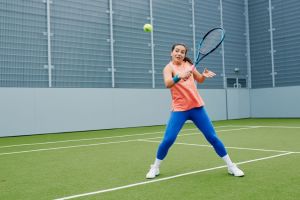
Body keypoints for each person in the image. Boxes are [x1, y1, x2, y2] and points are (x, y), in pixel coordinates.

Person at [146, 43, 244, 179]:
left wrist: (204, 75)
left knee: (212, 137)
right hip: (180, 109)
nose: (179, 54)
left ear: (185, 55)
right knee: (168, 139)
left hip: (197, 107)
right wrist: (179, 76)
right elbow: (168, 83)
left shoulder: (188, 65)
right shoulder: (168, 68)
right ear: (171, 52)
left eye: (182, 52)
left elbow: (199, 79)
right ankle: (155, 167)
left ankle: (231, 166)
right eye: (177, 51)